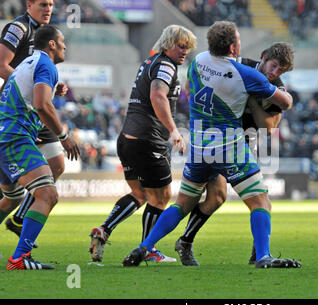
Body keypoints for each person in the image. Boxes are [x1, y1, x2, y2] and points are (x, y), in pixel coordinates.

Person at [122, 21, 301, 269]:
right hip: (229, 145)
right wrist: (286, 95)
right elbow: (285, 103)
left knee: (182, 204)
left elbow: (189, 88)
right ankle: (263, 257)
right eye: (238, 40)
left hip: (199, 145)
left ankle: (145, 246)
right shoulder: (246, 74)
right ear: (232, 46)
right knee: (259, 200)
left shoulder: (198, 61)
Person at [174, 42, 295, 266]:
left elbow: (268, 128)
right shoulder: (240, 68)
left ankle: (255, 254)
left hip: (243, 144)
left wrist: (252, 97)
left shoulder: (276, 86)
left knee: (241, 199)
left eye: (281, 71)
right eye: (274, 66)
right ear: (264, 56)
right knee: (224, 197)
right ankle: (184, 242)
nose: (275, 73)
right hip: (220, 140)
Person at [88, 25, 197, 263]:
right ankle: (147, 249)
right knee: (161, 196)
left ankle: (104, 230)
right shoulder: (166, 66)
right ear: (168, 44)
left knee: (139, 193)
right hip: (149, 141)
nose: (185, 51)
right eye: (181, 45)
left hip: (127, 139)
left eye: (188, 47)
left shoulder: (150, 62)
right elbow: (157, 95)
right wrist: (174, 131)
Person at [0, 25, 80, 270]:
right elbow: (42, 105)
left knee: (11, 199)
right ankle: (20, 258)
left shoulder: (28, 63)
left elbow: (19, 93)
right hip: (14, 137)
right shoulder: (46, 64)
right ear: (52, 44)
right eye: (62, 41)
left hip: (6, 134)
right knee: (48, 193)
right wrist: (63, 135)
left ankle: (20, 256)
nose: (66, 46)